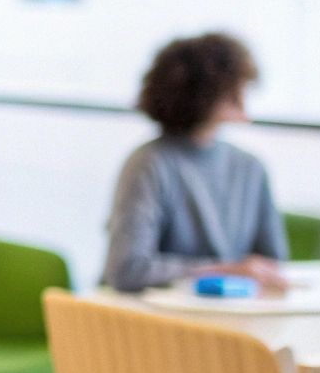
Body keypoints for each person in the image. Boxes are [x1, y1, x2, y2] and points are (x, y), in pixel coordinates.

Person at [101, 31, 288, 293]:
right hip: (160, 317)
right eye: (233, 88)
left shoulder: (251, 167)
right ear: (204, 93)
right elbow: (126, 269)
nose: (243, 94)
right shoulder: (149, 164)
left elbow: (272, 264)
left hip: (233, 310)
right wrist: (227, 270)